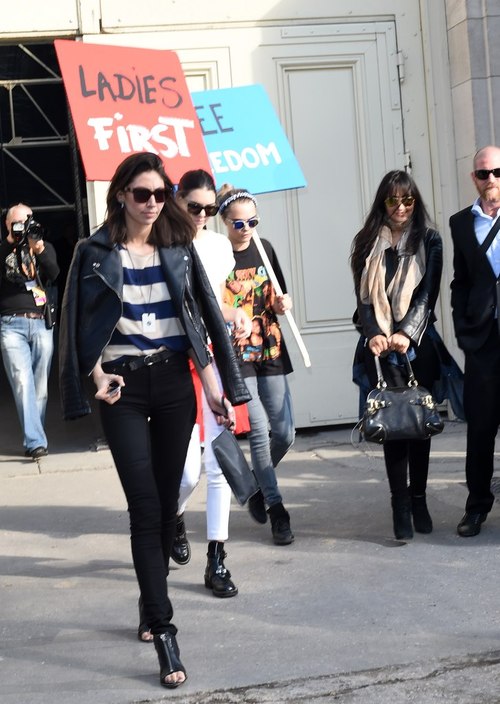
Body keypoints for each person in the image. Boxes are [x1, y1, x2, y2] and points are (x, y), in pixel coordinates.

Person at [58, 153, 250, 688]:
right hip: (120, 388)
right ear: (121, 194)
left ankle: (150, 600)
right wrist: (95, 374)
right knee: (144, 506)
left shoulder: (178, 246)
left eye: (160, 194)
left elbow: (199, 319)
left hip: (171, 384)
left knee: (167, 504)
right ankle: (165, 631)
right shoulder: (93, 252)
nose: (152, 204)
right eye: (142, 194)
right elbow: (77, 324)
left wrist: (216, 389)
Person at [165, 169, 252, 602]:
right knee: (185, 471)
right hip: (174, 363)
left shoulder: (218, 246)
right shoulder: (162, 244)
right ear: (178, 200)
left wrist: (237, 315)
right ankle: (174, 514)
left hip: (213, 361)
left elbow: (216, 300)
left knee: (218, 464)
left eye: (209, 208)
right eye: (194, 206)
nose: (202, 215)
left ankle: (217, 557)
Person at [350, 170, 443, 540]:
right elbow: (363, 298)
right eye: (393, 200)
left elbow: (428, 293)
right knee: (392, 426)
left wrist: (406, 332)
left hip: (417, 345)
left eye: (407, 200)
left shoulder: (429, 240)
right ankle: (399, 503)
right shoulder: (366, 242)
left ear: (415, 202)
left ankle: (419, 499)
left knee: (418, 426)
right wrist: (374, 332)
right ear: (382, 203)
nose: (401, 207)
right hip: (381, 350)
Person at [219, 186, 296, 546]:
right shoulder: (218, 257)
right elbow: (213, 304)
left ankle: (255, 483)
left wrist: (282, 304)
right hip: (238, 351)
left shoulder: (266, 249)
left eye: (253, 221)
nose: (247, 228)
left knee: (285, 433)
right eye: (239, 223)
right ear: (225, 222)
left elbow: (278, 297)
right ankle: (277, 509)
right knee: (260, 430)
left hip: (270, 345)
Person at [450, 145, 500, 537]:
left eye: (497, 172)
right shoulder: (460, 224)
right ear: (474, 178)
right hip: (483, 341)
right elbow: (461, 280)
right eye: (484, 173)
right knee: (481, 427)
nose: (491, 179)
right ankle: (476, 507)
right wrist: (462, 329)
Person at [0, 203, 59, 458]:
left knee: (40, 386)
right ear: (8, 225)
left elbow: (54, 273)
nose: (22, 227)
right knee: (23, 382)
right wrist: (9, 243)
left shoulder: (41, 246)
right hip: (10, 324)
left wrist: (40, 248)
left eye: (27, 222)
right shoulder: (3, 249)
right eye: (17, 223)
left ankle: (34, 436)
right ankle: (36, 442)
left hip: (41, 322)